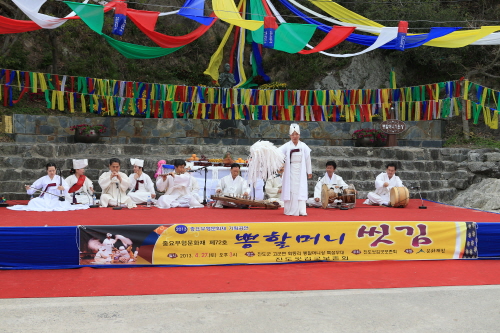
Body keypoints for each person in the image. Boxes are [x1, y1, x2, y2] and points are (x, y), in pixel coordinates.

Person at [8, 162, 89, 212]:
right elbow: (33, 187)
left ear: (56, 170)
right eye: (50, 171)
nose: (52, 172)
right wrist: (29, 189)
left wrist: (63, 188)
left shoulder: (59, 178)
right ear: (47, 171)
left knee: (64, 204)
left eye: (53, 170)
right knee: (33, 202)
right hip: (45, 199)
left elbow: (66, 187)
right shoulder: (43, 179)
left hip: (56, 199)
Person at [278, 124, 312, 216]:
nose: (294, 136)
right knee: (291, 189)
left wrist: (309, 171)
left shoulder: (303, 146)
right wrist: (280, 165)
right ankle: (290, 210)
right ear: (290, 136)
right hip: (290, 170)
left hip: (300, 169)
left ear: (299, 135)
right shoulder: (286, 146)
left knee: (300, 188)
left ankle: (301, 210)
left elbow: (308, 158)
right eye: (293, 134)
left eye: (296, 134)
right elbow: (277, 153)